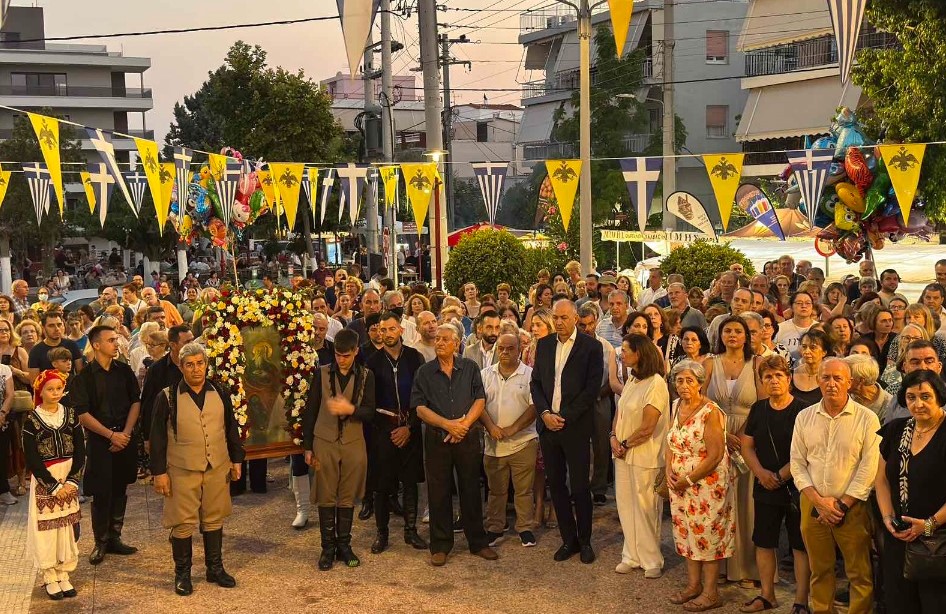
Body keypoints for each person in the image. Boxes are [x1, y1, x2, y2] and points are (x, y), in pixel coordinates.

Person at [149, 343, 245, 596]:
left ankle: (215, 568)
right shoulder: (167, 396)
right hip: (181, 468)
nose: (196, 369)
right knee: (182, 523)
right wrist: (159, 473)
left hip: (217, 465)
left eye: (200, 363)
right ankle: (182, 573)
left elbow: (231, 427)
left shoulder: (220, 391)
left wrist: (237, 459)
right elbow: (157, 437)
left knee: (214, 517)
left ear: (206, 364)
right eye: (189, 364)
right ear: (181, 367)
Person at [790, 358, 881, 614]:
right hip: (813, 503)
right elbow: (797, 463)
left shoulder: (867, 419)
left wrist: (841, 505)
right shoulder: (804, 417)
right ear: (818, 381)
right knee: (820, 570)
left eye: (838, 378)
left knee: (859, 573)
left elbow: (869, 467)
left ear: (849, 383)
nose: (831, 384)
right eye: (826, 378)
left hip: (852, 506)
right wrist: (819, 502)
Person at [411, 323, 497, 566]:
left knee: (470, 489)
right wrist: (448, 425)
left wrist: (464, 426)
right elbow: (419, 408)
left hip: (466, 438)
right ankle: (440, 545)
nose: (439, 342)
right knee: (438, 492)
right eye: (437, 338)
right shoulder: (424, 372)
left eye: (445, 339)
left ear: (457, 343)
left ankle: (477, 542)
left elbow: (480, 399)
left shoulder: (470, 368)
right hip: (438, 439)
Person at [530, 299, 603, 564]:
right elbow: (536, 383)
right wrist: (546, 414)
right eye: (556, 318)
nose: (559, 322)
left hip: (576, 427)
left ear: (575, 318)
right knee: (557, 486)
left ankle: (585, 541)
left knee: (580, 486)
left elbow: (591, 390)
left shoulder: (591, 348)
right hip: (549, 428)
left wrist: (564, 417)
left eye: (563, 318)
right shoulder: (545, 344)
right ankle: (568, 539)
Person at [740, 356, 811, 614]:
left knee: (799, 545)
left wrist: (780, 476)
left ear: (789, 379)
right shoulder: (758, 409)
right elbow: (747, 445)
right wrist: (760, 472)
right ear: (761, 382)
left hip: (795, 487)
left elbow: (805, 452)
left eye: (778, 375)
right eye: (767, 377)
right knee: (764, 540)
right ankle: (766, 595)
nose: (773, 381)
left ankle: (801, 600)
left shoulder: (804, 410)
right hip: (764, 483)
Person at [302, 329, 375, 570]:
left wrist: (350, 409)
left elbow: (371, 412)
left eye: (346, 355)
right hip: (324, 440)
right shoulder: (321, 373)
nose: (341, 359)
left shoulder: (366, 376)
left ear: (356, 351)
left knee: (347, 495)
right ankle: (327, 548)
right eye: (337, 354)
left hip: (354, 442)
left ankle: (344, 545)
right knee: (325, 493)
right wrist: (308, 446)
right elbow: (311, 409)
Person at [68, 325, 141, 565]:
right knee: (101, 492)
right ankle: (100, 541)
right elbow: (82, 413)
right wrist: (111, 436)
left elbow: (135, 402)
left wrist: (126, 434)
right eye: (111, 340)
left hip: (125, 438)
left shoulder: (124, 370)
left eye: (117, 339)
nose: (116, 344)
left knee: (120, 488)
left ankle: (114, 537)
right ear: (97, 344)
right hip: (101, 442)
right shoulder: (85, 377)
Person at [875, 369, 946, 613]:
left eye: (926, 396)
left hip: (939, 540)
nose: (918, 404)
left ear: (940, 397)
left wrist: (928, 524)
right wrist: (887, 518)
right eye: (911, 397)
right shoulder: (896, 430)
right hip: (900, 537)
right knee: (899, 603)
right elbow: (881, 479)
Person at [666, 359, 734, 612]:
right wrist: (669, 471)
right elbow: (670, 442)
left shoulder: (711, 411)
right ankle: (693, 586)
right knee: (686, 533)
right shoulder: (675, 406)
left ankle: (711, 593)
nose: (684, 386)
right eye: (679, 381)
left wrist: (689, 479)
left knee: (707, 535)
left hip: (707, 484)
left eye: (689, 381)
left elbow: (715, 454)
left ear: (700, 383)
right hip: (680, 483)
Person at [364, 312, 427, 554]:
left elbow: (422, 395)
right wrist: (390, 430)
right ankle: (382, 533)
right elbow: (369, 402)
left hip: (410, 427)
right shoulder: (372, 362)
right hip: (384, 431)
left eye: (392, 329)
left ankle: (411, 531)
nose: (387, 334)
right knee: (382, 484)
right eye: (383, 330)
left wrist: (408, 427)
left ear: (400, 330)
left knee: (410, 481)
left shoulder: (414, 358)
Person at [703, 316, 759, 585]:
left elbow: (761, 404)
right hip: (716, 437)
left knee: (746, 504)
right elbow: (700, 401)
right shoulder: (709, 363)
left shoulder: (756, 363)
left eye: (738, 331)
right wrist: (723, 434)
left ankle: (745, 568)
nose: (733, 335)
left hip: (748, 439)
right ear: (720, 335)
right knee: (719, 503)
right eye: (727, 331)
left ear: (746, 336)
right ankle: (720, 567)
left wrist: (741, 434)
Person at [22, 370, 84, 600]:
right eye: (50, 389)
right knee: (47, 528)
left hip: (68, 475)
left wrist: (72, 481)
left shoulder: (70, 415)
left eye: (59, 388)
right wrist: (54, 487)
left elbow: (80, 450)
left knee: (67, 528)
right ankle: (49, 575)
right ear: (40, 390)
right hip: (45, 478)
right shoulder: (32, 420)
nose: (55, 393)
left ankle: (64, 573)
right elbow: (32, 458)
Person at [611, 333, 669, 578]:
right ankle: (631, 555)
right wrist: (612, 437)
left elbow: (648, 426)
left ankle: (651, 558)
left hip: (645, 455)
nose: (621, 354)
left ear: (640, 353)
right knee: (626, 505)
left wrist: (624, 443)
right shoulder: (633, 380)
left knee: (646, 507)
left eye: (625, 350)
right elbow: (620, 413)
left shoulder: (656, 383)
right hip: (624, 454)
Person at [481, 333, 539, 548]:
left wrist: (514, 428)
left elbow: (534, 407)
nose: (505, 352)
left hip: (523, 442)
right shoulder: (485, 374)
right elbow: (479, 404)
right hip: (493, 443)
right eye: (501, 348)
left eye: (510, 348)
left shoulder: (530, 375)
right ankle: (495, 527)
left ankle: (525, 528)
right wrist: (491, 427)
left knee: (524, 490)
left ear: (519, 350)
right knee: (496, 490)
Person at [576, 304, 618, 506]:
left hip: (600, 400)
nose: (586, 328)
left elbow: (612, 378)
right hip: (577, 403)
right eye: (582, 325)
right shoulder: (572, 345)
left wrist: (595, 395)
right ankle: (579, 486)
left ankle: (599, 487)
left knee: (601, 445)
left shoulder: (605, 347)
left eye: (590, 324)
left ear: (596, 323)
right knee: (579, 446)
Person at [28, 311, 83, 381]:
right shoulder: (36, 351)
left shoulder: (72, 345)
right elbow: (34, 383)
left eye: (59, 325)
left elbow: (80, 374)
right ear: (43, 328)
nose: (57, 329)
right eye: (51, 326)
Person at [791, 330, 831, 407]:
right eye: (804, 347)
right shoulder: (790, 375)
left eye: (813, 347)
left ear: (824, 352)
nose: (806, 351)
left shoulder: (830, 376)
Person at [776, 292, 816, 365]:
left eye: (808, 303)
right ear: (791, 307)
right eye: (799, 303)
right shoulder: (780, 328)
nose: (804, 306)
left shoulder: (819, 328)